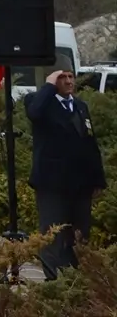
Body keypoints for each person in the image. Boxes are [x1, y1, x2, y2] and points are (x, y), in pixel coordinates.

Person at [26, 69, 106, 279]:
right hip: (52, 183)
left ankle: (74, 280)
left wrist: (98, 179)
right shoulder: (40, 102)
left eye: (71, 77)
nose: (69, 81)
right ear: (53, 80)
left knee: (80, 233)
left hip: (80, 183)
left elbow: (90, 143)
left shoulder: (80, 106)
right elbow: (34, 113)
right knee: (53, 234)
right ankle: (54, 281)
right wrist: (49, 86)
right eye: (63, 78)